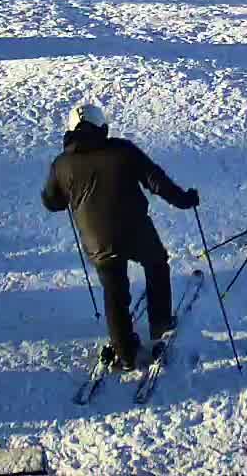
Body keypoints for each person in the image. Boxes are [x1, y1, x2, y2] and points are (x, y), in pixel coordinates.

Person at [40, 103, 199, 372]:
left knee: (115, 291)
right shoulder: (121, 150)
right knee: (157, 263)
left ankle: (125, 353)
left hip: (97, 241)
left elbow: (52, 202)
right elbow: (155, 180)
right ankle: (160, 323)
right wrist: (185, 199)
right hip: (135, 230)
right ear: (101, 126)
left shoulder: (61, 164)